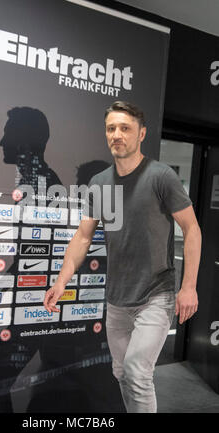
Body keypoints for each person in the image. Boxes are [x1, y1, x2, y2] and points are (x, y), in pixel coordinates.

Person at [44, 100, 202, 413]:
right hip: (117, 301)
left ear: (141, 134)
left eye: (125, 128)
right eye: (111, 128)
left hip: (156, 295)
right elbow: (83, 236)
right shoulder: (99, 183)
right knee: (122, 373)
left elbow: (192, 229)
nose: (117, 134)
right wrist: (61, 281)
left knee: (137, 372)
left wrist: (189, 286)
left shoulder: (161, 176)